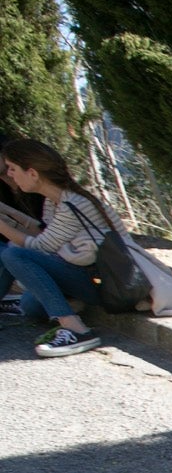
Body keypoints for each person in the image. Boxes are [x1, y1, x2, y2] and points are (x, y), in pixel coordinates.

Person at [0, 139, 128, 357]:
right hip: (83, 272)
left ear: (32, 173)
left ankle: (76, 330)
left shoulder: (72, 204)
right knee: (30, 305)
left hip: (105, 281)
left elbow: (40, 246)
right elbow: (43, 232)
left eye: (12, 168)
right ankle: (70, 305)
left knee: (13, 253)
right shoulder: (55, 200)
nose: (9, 174)